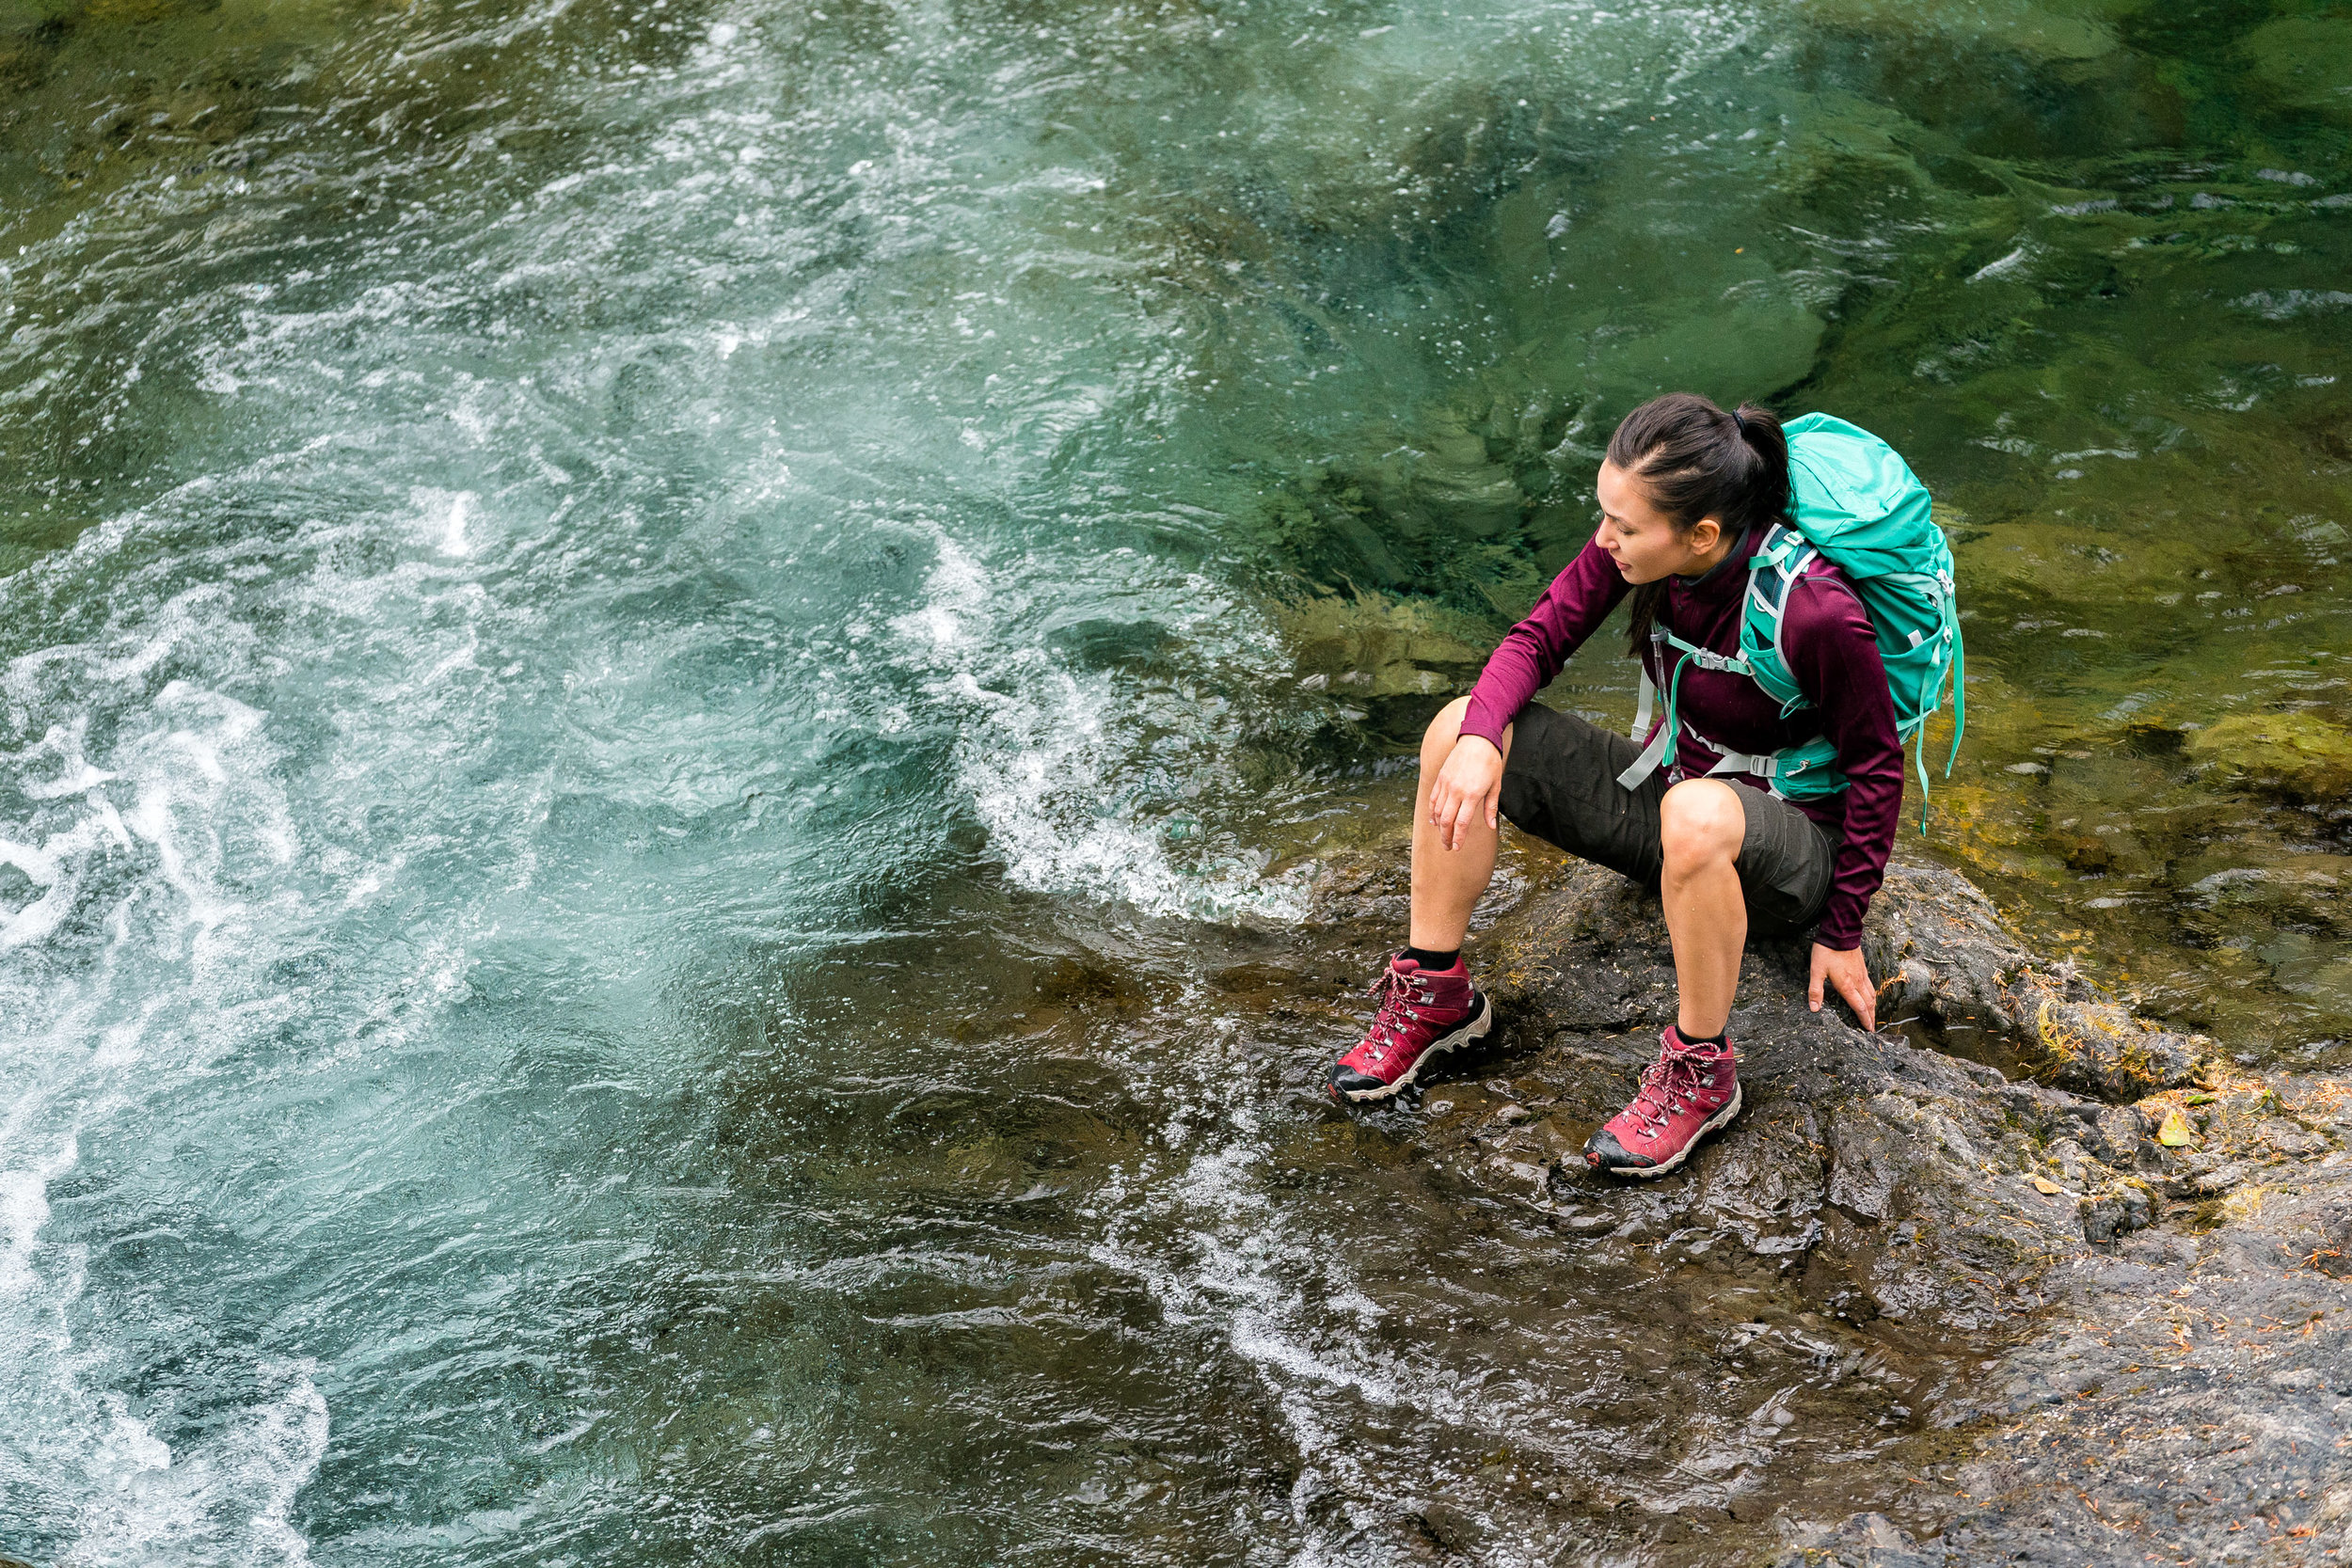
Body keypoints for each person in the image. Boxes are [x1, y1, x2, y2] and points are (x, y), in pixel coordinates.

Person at [1327, 392, 1903, 1178]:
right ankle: (1435, 991)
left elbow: (1876, 766)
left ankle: (1701, 1069)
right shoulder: (1645, 549)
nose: (1604, 540)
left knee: (1695, 816)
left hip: (1784, 857)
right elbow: (1537, 639)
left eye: (1624, 527)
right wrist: (1476, 741)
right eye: (1605, 515)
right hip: (1674, 805)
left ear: (1700, 535)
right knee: (1461, 725)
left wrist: (1840, 931)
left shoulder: (1815, 611)